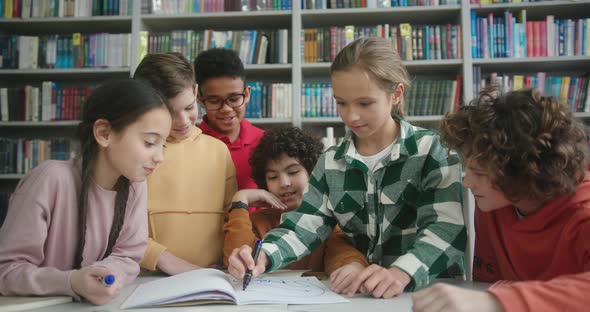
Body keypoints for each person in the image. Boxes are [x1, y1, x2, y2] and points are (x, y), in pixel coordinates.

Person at [227, 37, 467, 299]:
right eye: (342, 102)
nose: (351, 116)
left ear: (396, 94)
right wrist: (262, 256)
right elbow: (303, 227)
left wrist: (401, 272)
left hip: (432, 295)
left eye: (364, 103)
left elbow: (446, 228)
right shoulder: (331, 162)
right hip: (364, 299)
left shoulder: (433, 149)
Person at [412, 88, 590, 312]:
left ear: (525, 172)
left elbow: (493, 298)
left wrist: (497, 301)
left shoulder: (584, 212)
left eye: (480, 173)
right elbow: (488, 283)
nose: (467, 184)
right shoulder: (494, 202)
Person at [0, 79, 171, 305]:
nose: (160, 157)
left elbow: (128, 257)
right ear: (104, 133)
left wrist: (106, 273)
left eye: (163, 145)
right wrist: (72, 282)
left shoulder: (134, 185)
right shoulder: (50, 179)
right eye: (150, 142)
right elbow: (6, 271)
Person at [133, 52, 237, 275]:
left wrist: (230, 257)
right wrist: (163, 261)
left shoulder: (218, 150)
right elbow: (120, 228)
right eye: (169, 112)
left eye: (189, 107)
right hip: (148, 279)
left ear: (196, 92)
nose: (182, 121)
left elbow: (232, 219)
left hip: (212, 277)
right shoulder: (135, 154)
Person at [223, 127, 368, 273]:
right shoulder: (256, 221)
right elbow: (237, 264)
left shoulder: (328, 220)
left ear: (313, 172)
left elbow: (345, 255)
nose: (284, 183)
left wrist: (352, 266)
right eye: (273, 177)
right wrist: (240, 201)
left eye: (293, 172)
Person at [195, 48, 265, 212]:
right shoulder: (190, 143)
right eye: (214, 101)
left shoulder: (266, 142)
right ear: (200, 100)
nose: (226, 109)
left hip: (257, 234)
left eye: (234, 99)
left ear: (247, 94)